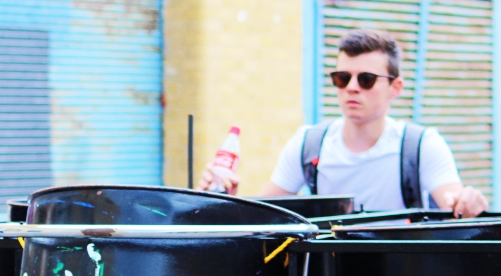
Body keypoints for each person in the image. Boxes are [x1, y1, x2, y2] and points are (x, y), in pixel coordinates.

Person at [200, 28, 488, 217]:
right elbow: (264, 214)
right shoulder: (309, 144)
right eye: (342, 78)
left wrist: (468, 202)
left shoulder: (421, 146)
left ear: (396, 88)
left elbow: (455, 203)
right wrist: (225, 198)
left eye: (366, 79)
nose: (351, 88)